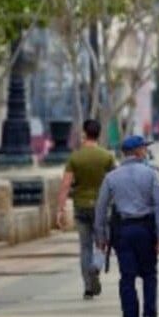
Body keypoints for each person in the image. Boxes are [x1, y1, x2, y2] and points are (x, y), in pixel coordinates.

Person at [94, 135, 159, 317]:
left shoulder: (111, 177)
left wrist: (101, 236)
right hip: (145, 230)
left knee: (127, 277)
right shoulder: (152, 174)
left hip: (123, 232)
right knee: (149, 274)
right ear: (137, 152)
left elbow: (100, 209)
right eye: (144, 148)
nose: (146, 151)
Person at [56, 119, 116, 300]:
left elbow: (65, 184)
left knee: (85, 247)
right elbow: (115, 181)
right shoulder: (106, 157)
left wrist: (60, 209)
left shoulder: (75, 157)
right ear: (98, 134)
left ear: (84, 133)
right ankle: (96, 267)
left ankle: (88, 287)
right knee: (101, 243)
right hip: (101, 207)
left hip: (80, 207)